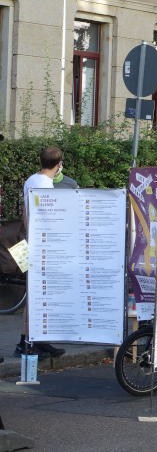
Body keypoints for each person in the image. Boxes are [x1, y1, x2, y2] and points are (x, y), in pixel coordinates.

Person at [17, 146, 66, 358]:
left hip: (30, 243)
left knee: (35, 294)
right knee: (40, 294)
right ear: (58, 164)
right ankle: (30, 342)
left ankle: (35, 340)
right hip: (41, 246)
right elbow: (49, 218)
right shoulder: (46, 185)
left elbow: (25, 213)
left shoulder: (31, 180)